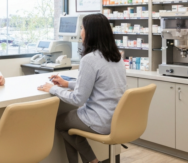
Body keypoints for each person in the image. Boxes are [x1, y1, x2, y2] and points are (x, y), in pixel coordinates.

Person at [38, 13, 126, 163]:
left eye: (82, 28)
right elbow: (99, 85)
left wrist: (53, 89)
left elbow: (78, 98)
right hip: (117, 119)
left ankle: (92, 160)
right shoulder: (116, 56)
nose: (81, 32)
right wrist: (67, 84)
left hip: (100, 120)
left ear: (90, 33)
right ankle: (90, 161)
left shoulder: (89, 59)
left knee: (60, 122)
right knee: (72, 130)